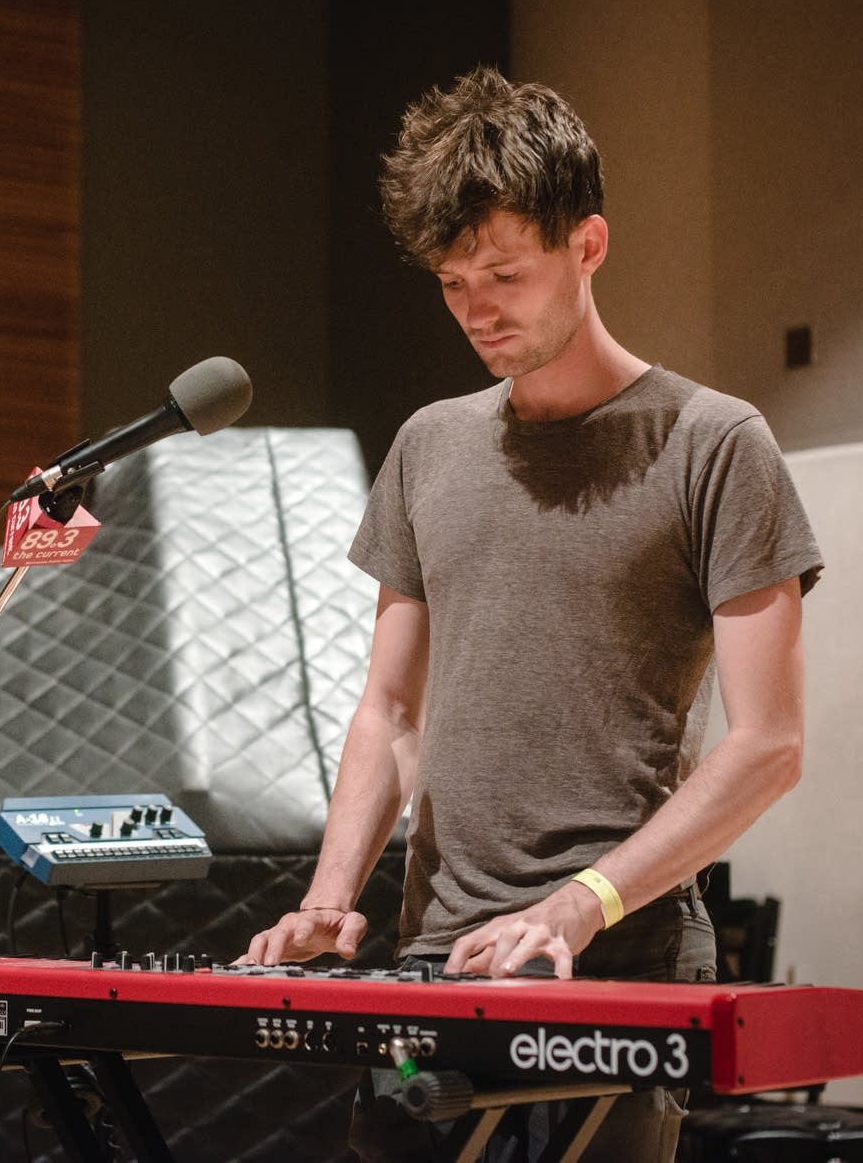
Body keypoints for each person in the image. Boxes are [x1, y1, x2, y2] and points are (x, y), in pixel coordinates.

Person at [240, 67, 822, 1162]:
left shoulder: (712, 442)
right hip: (433, 955)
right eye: (452, 282)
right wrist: (328, 897)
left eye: (503, 274)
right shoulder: (428, 445)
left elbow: (768, 746)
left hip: (622, 954)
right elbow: (390, 709)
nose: (475, 309)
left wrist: (575, 907)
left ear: (587, 245)